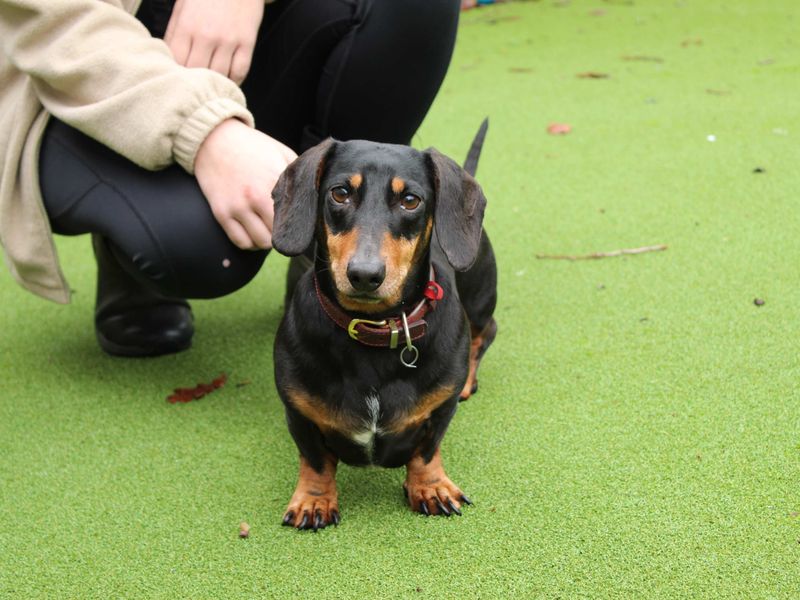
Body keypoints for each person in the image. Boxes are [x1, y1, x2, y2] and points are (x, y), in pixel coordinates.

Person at [0, 0, 460, 357]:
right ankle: (129, 262)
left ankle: (329, 261)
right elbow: (59, 27)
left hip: (238, 45)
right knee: (199, 245)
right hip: (68, 88)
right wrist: (207, 133)